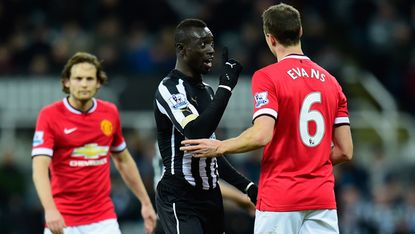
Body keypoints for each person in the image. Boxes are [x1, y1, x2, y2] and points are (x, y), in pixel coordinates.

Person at [181, 3, 353, 234]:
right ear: (300, 32)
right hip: (322, 199)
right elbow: (345, 151)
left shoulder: (268, 77)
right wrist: (310, 161)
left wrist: (220, 146)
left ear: (270, 38)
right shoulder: (331, 82)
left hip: (281, 197)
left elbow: (262, 135)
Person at [32, 52, 157, 234]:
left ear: (98, 82)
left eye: (90, 78)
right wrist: (50, 210)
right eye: (78, 78)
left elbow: (123, 160)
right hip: (62, 218)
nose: (84, 84)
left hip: (103, 220)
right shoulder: (50, 115)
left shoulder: (110, 112)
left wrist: (145, 203)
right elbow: (39, 168)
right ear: (67, 82)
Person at [154, 18, 258, 234]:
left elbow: (210, 150)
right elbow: (194, 132)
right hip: (180, 196)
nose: (211, 50)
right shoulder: (170, 88)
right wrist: (226, 86)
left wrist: (247, 187)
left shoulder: (208, 91)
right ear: (182, 49)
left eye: (211, 43)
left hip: (211, 197)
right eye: (203, 44)